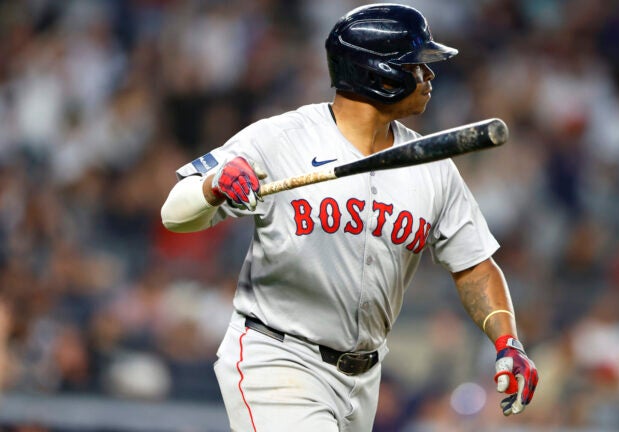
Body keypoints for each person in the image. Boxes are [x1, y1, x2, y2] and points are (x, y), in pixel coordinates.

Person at [160, 4, 538, 431]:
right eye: (417, 65)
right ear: (380, 73)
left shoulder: (432, 165)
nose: (429, 76)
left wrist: (508, 342)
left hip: (363, 377)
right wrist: (212, 187)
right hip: (279, 358)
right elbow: (174, 214)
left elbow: (474, 265)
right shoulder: (282, 139)